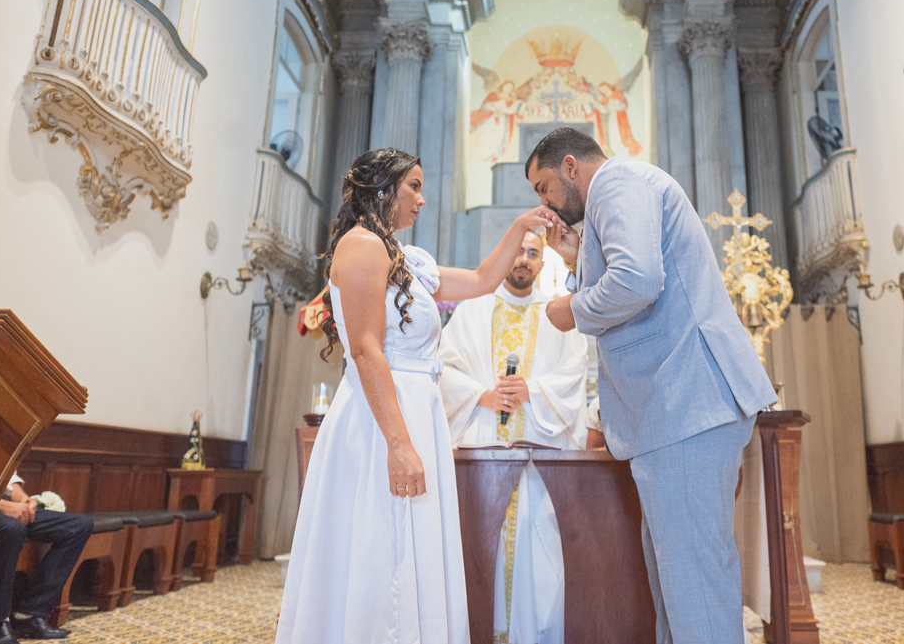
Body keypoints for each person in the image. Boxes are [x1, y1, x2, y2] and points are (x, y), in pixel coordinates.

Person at [275, 148, 561, 643]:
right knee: (383, 545)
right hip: (383, 418)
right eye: (414, 186)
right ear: (383, 188)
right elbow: (366, 349)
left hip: (415, 407)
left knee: (410, 544)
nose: (422, 199)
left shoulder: (404, 258)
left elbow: (478, 281)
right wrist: (400, 444)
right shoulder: (362, 246)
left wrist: (520, 226)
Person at [525, 127, 777, 644]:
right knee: (676, 581)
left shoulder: (616, 182)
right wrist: (577, 260)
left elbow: (638, 280)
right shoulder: (617, 196)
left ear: (571, 165)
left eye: (543, 186)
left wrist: (571, 310)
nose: (545, 202)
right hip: (676, 409)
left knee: (694, 583)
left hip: (687, 401)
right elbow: (631, 275)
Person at [437, 229, 588, 644]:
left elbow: (575, 373)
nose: (523, 260)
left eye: (533, 253)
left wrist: (534, 391)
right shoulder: (472, 309)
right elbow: (444, 369)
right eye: (519, 252)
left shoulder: (558, 314)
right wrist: (481, 396)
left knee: (541, 554)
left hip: (540, 462)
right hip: (483, 456)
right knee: (482, 549)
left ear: (544, 262)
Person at [0, 473, 93, 643]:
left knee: (78, 526)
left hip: (2, 501)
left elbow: (7, 470)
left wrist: (21, 497)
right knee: (11, 528)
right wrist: (0, 506)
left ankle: (29, 614)